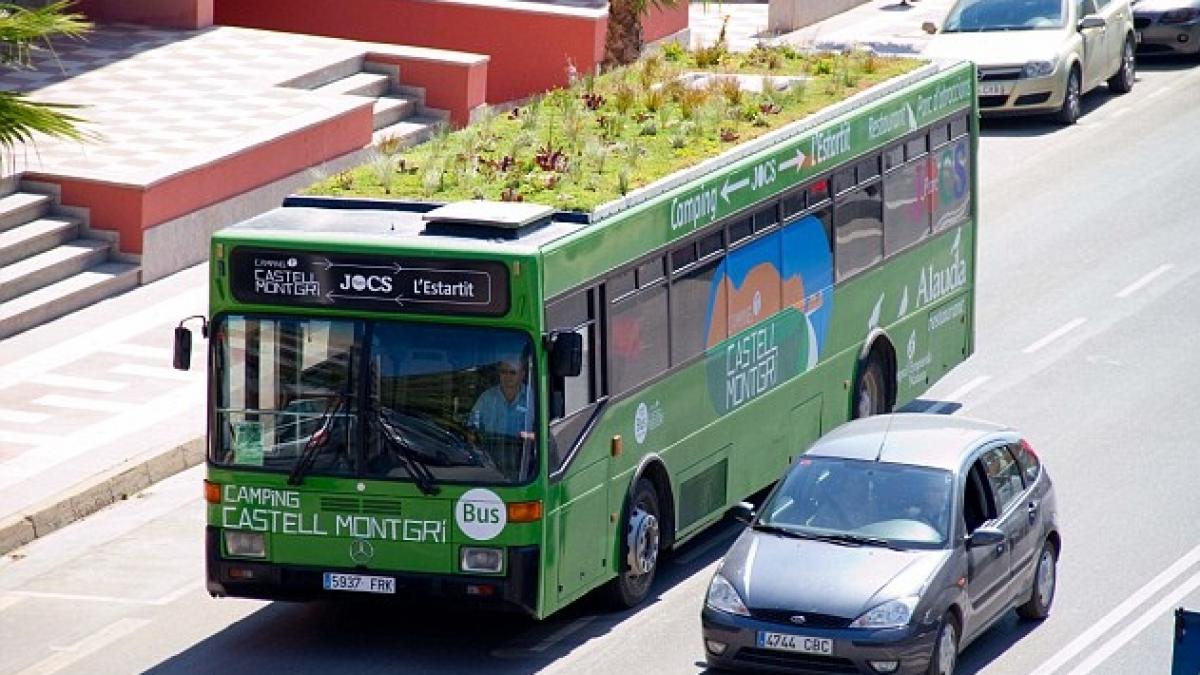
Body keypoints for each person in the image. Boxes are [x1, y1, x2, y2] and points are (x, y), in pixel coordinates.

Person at [468, 355, 532, 439]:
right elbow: (472, 427)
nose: (507, 376)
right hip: (489, 449)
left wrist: (530, 436)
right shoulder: (486, 398)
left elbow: (543, 431)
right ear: (499, 374)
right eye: (504, 372)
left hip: (523, 450)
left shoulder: (533, 398)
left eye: (512, 372)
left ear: (522, 375)